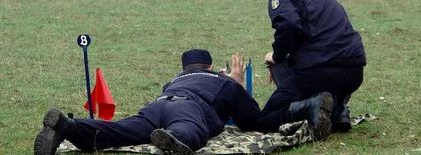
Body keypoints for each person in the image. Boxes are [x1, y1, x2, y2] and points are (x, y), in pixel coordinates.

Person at [34, 50, 259, 155]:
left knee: (120, 130)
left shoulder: (174, 80)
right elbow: (250, 119)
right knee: (188, 128)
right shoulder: (222, 80)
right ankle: (174, 139)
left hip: (158, 105)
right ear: (210, 67)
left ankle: (70, 126)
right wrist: (237, 83)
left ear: (184, 68)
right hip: (188, 106)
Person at [256, 0, 366, 140]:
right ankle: (338, 109)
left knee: (262, 120)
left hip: (320, 73)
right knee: (313, 62)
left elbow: (289, 26)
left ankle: (310, 106)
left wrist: (277, 56)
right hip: (354, 72)